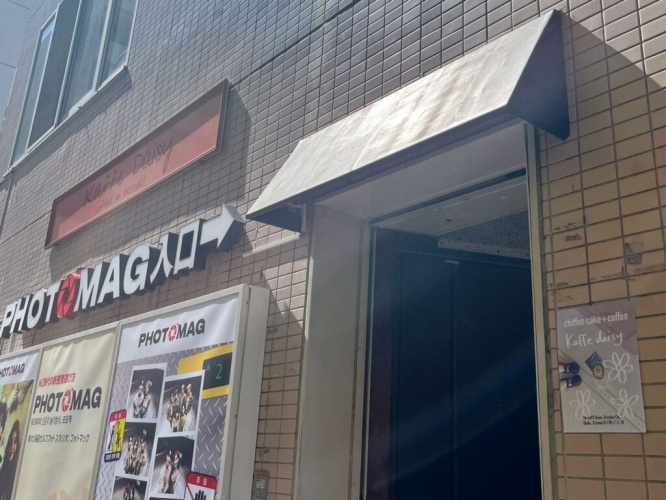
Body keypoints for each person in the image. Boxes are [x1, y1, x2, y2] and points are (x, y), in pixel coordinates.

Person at [0, 421, 20, 500]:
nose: (12, 447)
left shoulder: (18, 473)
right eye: (11, 442)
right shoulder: (3, 470)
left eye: (15, 442)